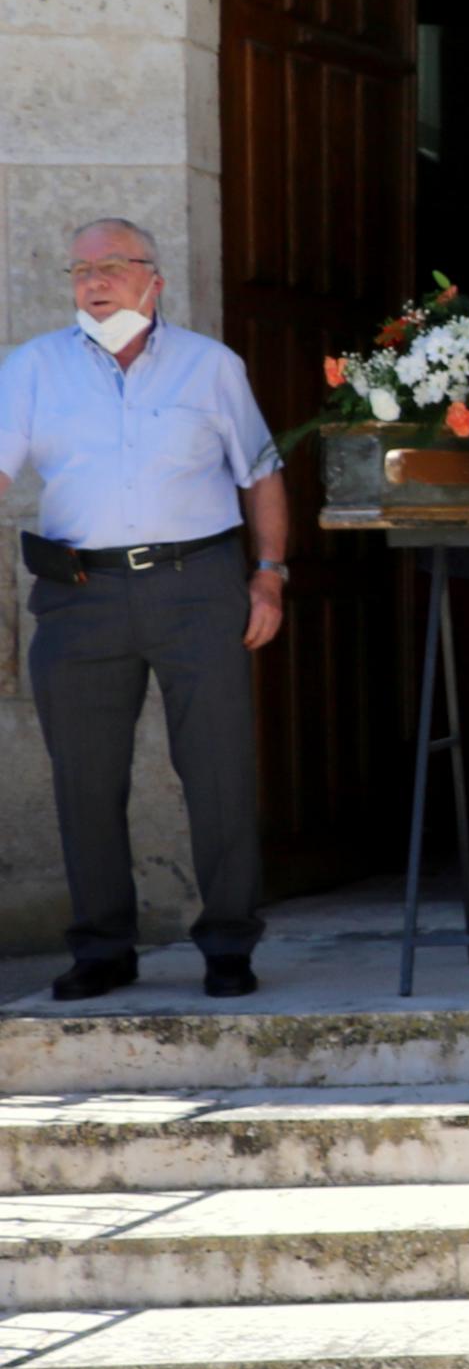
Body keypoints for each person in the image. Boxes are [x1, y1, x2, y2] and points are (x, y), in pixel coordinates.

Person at [0, 219, 288, 1000]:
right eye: (81, 268)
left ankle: (229, 942)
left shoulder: (210, 366)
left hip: (197, 585)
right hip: (78, 596)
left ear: (152, 278)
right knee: (84, 777)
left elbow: (259, 472)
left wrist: (268, 574)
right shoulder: (32, 368)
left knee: (219, 767)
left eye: (113, 266)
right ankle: (102, 946)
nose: (94, 281)